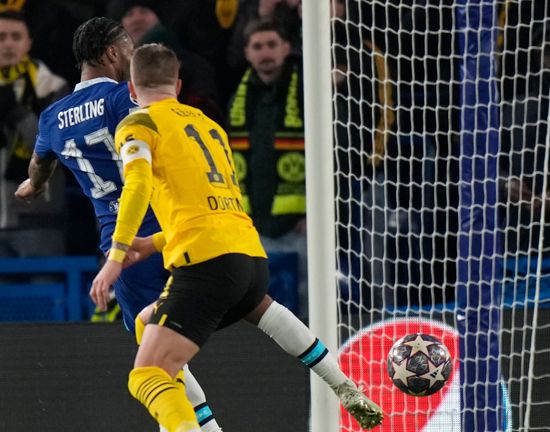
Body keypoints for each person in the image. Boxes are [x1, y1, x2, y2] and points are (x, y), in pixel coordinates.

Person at [92, 43, 383, 432]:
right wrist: (154, 242)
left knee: (147, 376)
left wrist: (117, 254)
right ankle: (342, 384)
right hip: (248, 255)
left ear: (130, 89)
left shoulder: (139, 123)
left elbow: (137, 185)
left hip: (206, 267)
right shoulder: (208, 126)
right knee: (154, 321)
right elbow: (211, 208)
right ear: (177, 86)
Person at [14, 17, 224, 431]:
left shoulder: (53, 117)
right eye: (130, 47)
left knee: (156, 360)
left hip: (121, 248)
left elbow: (38, 167)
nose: (135, 56)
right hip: (165, 231)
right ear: (112, 54)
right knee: (165, 360)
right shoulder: (121, 99)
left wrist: (32, 186)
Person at [226, 18, 309, 318]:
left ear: (287, 47)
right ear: (247, 53)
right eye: (257, 46)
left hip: (301, 223)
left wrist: (315, 211)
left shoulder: (307, 88)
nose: (265, 53)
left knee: (308, 297)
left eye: (272, 44)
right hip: (253, 221)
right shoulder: (239, 96)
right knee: (261, 301)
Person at [0, 10, 68, 260]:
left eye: (15, 37)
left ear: (28, 43)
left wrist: (17, 114)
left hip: (39, 222)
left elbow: (58, 148)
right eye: (1, 37)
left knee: (49, 297)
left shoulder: (52, 87)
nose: (8, 43)